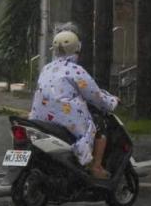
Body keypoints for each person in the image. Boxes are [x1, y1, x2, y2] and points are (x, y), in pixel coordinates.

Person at [29, 28, 119, 179]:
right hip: (66, 119)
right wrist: (112, 101)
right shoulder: (76, 71)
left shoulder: (46, 68)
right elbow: (94, 95)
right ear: (77, 48)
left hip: (39, 117)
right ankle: (96, 166)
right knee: (99, 128)